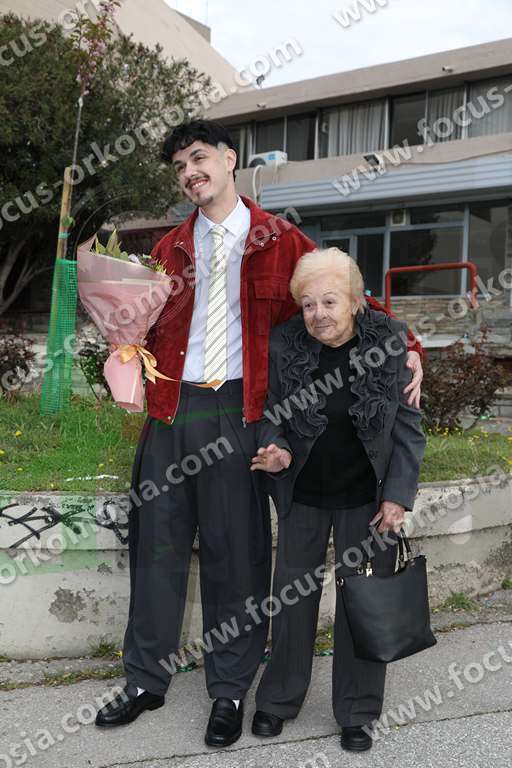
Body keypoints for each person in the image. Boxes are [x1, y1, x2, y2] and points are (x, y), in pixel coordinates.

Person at [95, 120, 424, 747]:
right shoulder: (168, 249)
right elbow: (136, 325)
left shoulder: (282, 239)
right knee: (156, 549)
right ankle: (144, 680)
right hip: (170, 410)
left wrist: (408, 346)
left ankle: (228, 689)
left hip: (240, 412)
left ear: (229, 159)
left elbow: (343, 292)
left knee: (235, 556)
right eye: (179, 167)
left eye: (198, 158)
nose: (190, 173)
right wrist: (121, 337)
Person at [250, 247, 427, 753]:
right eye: (308, 304)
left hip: (368, 500)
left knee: (362, 605)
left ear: (353, 301)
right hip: (304, 494)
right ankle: (277, 700)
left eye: (329, 302)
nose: (318, 314)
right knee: (290, 602)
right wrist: (278, 450)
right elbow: (271, 412)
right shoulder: (285, 342)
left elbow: (409, 428)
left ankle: (358, 711)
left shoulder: (389, 341)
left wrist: (397, 497)